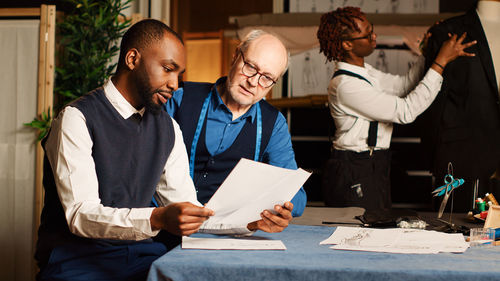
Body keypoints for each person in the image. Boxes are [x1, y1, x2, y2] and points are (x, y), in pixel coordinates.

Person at [35, 19, 215, 281]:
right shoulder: (76, 118)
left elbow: (186, 207)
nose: (175, 84)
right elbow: (81, 216)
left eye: (179, 74)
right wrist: (157, 218)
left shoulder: (169, 128)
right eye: (167, 69)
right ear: (132, 59)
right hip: (76, 261)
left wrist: (248, 223)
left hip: (143, 256)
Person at [316, 7, 476, 210]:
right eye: (367, 34)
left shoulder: (365, 73)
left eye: (371, 29)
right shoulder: (346, 86)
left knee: (377, 229)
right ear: (347, 44)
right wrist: (440, 62)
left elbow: (404, 85)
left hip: (375, 164)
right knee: (358, 233)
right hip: (354, 167)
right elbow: (405, 112)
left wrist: (427, 54)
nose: (374, 36)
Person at [164, 30, 307, 222]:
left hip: (228, 232)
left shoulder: (274, 124)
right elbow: (145, 168)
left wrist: (277, 204)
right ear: (236, 56)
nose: (253, 82)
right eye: (250, 67)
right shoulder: (180, 99)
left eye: (267, 78)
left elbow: (297, 197)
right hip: (167, 222)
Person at [420, 0, 500, 212]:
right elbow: (434, 101)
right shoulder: (449, 32)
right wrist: (433, 157)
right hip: (464, 156)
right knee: (459, 232)